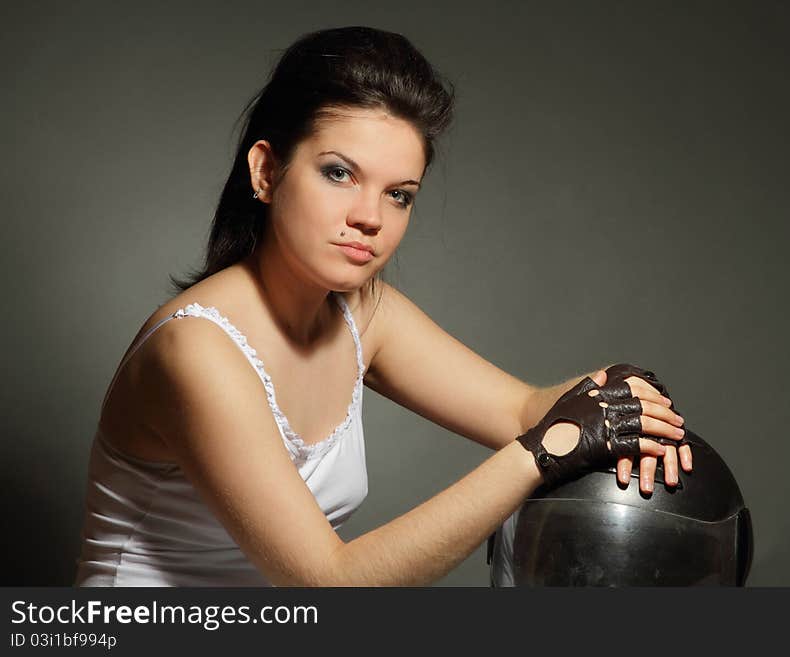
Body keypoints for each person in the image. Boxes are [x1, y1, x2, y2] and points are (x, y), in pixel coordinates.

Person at [74, 26, 692, 587]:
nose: (369, 217)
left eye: (399, 194)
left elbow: (522, 409)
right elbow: (330, 583)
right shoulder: (197, 350)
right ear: (265, 172)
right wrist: (549, 449)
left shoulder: (363, 313)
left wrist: (622, 397)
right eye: (339, 173)